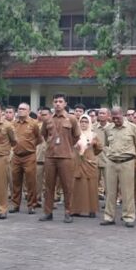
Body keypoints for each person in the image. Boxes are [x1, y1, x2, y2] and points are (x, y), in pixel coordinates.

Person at [40, 94, 80, 223]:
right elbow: (45, 135)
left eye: (60, 101)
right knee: (49, 186)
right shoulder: (48, 119)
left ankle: (68, 212)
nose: (58, 103)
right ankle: (48, 212)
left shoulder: (72, 119)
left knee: (67, 186)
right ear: (53, 103)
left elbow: (76, 136)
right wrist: (53, 145)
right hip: (50, 156)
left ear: (65, 103)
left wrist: (66, 145)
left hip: (66, 156)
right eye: (56, 101)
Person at [101, 107, 136, 227]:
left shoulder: (132, 127)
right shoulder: (108, 129)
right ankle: (109, 217)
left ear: (122, 115)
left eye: (117, 117)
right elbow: (107, 144)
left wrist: (128, 153)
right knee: (110, 191)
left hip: (127, 162)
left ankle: (128, 217)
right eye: (113, 118)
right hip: (111, 162)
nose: (115, 120)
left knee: (127, 191)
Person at [11, 103, 42, 214]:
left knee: (30, 182)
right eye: (19, 109)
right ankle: (15, 205)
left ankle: (31, 205)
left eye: (24, 109)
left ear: (28, 111)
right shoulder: (13, 124)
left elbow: (39, 139)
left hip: (29, 156)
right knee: (15, 182)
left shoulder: (34, 124)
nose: (21, 111)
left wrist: (30, 146)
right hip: (16, 156)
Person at [71, 114, 100, 217]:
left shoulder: (94, 135)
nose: (83, 124)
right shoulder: (75, 135)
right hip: (76, 162)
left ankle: (92, 210)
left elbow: (99, 149)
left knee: (91, 186)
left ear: (89, 123)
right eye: (82, 121)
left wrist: (93, 145)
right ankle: (75, 210)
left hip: (89, 163)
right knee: (77, 186)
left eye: (86, 122)